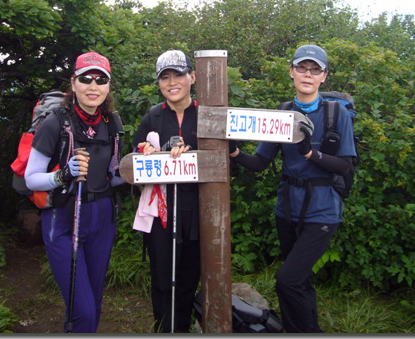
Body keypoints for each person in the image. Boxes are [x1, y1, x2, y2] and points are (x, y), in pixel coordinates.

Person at [229, 44, 356, 333]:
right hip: (287, 209)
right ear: (291, 72)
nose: (307, 74)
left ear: (324, 76)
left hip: (322, 212)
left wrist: (310, 152)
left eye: (315, 69)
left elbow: (345, 166)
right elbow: (262, 162)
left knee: (287, 280)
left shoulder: (338, 115)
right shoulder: (283, 112)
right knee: (300, 281)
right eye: (302, 68)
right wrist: (235, 153)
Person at [24, 51, 122, 333]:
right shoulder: (55, 122)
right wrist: (63, 174)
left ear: (108, 85)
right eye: (86, 78)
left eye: (101, 80)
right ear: (74, 82)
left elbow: (113, 175)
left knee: (94, 301)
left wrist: (138, 169)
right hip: (63, 217)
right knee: (82, 311)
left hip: (103, 216)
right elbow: (31, 179)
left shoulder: (111, 123)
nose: (93, 86)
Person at [132, 50, 200, 333]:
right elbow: (132, 162)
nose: (172, 82)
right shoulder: (153, 117)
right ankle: (164, 328)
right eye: (165, 77)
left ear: (192, 77)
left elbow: (227, 164)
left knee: (188, 278)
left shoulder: (207, 115)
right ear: (159, 83)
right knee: (162, 278)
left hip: (197, 213)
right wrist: (145, 151)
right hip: (161, 215)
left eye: (179, 75)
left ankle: (182, 328)